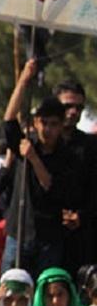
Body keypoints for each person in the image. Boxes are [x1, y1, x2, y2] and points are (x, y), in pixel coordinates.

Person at [1, 59, 82, 278]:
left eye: (53, 124)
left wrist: (35, 159)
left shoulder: (67, 157)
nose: (47, 129)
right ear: (36, 122)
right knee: (11, 288)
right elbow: (9, 120)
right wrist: (24, 80)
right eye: (43, 123)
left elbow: (51, 186)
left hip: (48, 237)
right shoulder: (27, 143)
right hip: (19, 232)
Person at [53, 79, 95, 275]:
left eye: (78, 107)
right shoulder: (41, 146)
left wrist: (81, 215)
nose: (73, 112)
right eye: (67, 106)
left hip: (82, 235)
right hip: (48, 233)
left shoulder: (90, 146)